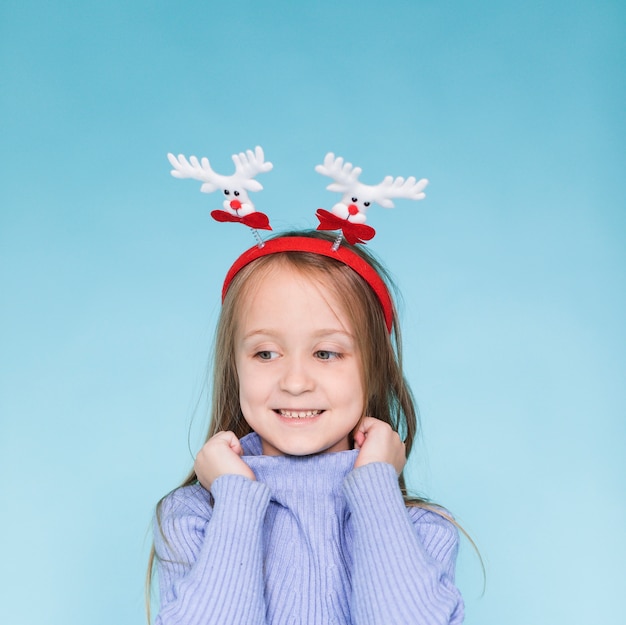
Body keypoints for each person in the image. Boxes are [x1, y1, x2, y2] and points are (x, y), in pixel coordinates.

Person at [148, 229, 465, 625]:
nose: (295, 382)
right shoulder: (194, 517)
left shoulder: (422, 529)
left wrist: (375, 486)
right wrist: (235, 500)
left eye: (326, 353)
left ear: (374, 368)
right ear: (235, 367)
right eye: (265, 353)